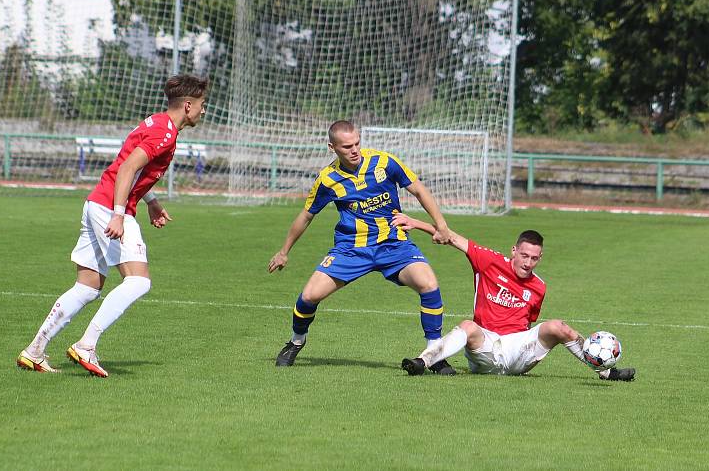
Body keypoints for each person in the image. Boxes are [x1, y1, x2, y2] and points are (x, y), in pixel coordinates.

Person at [16, 74, 208, 378]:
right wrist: (119, 214)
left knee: (87, 287)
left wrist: (151, 200)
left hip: (97, 202)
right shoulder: (165, 134)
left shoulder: (157, 123)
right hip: (109, 207)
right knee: (139, 281)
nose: (203, 111)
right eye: (201, 105)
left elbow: (131, 169)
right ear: (187, 105)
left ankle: (34, 351)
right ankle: (86, 345)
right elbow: (128, 168)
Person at [268, 120, 457, 374]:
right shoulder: (328, 179)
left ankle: (434, 354)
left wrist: (441, 225)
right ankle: (295, 341)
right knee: (309, 297)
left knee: (429, 284)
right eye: (347, 146)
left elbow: (419, 190)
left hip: (393, 245)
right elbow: (306, 216)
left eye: (357, 143)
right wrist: (284, 251)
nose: (354, 149)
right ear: (332, 147)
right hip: (351, 249)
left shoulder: (384, 162)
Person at [393, 213, 635, 381]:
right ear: (514, 251)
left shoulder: (539, 286)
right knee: (468, 326)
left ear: (539, 258)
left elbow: (528, 322)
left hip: (518, 351)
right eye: (525, 255)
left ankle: (605, 371)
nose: (528, 263)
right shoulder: (489, 261)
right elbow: (451, 237)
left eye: (534, 258)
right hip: (485, 348)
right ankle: (422, 362)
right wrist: (416, 222)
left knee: (558, 327)